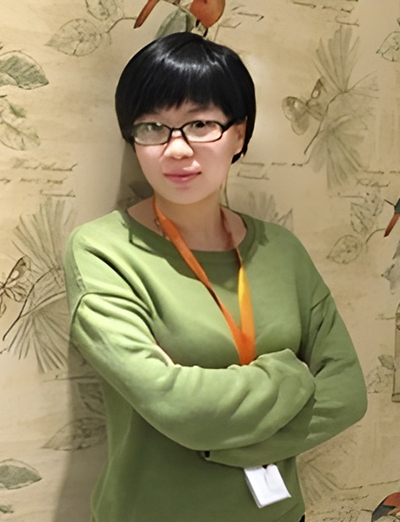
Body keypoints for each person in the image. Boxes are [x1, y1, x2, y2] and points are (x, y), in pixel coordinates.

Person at [63, 32, 367, 522]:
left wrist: (221, 440)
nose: (177, 149)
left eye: (200, 124)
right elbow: (175, 404)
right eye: (153, 127)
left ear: (239, 134)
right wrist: (289, 374)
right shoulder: (102, 250)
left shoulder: (282, 251)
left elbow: (347, 393)